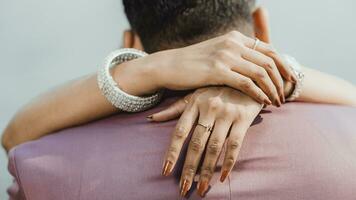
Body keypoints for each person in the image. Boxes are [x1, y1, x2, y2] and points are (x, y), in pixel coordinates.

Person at [2, 0, 356, 197]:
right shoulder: (348, 140)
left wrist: (146, 70)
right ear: (261, 26)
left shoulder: (42, 170)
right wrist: (278, 76)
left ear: (129, 43)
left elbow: (14, 137)